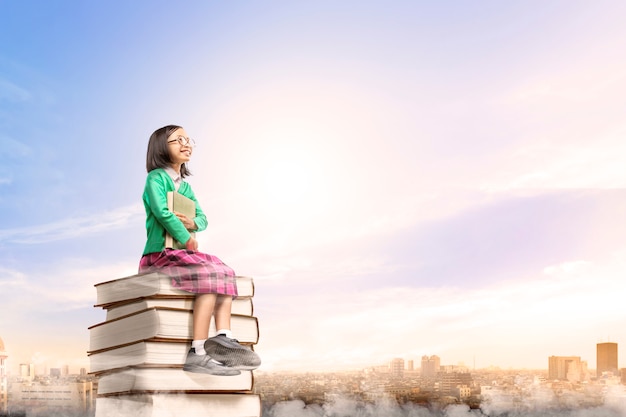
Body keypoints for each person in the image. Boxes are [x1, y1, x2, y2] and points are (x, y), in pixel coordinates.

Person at [138, 124, 260, 375]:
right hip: (160, 253)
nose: (186, 143)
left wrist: (193, 223)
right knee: (207, 275)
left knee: (224, 270)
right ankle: (197, 351)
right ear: (161, 148)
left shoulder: (185, 187)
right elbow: (162, 212)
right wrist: (186, 236)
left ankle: (224, 335)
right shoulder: (156, 179)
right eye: (176, 140)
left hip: (181, 254)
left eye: (187, 139)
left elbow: (203, 218)